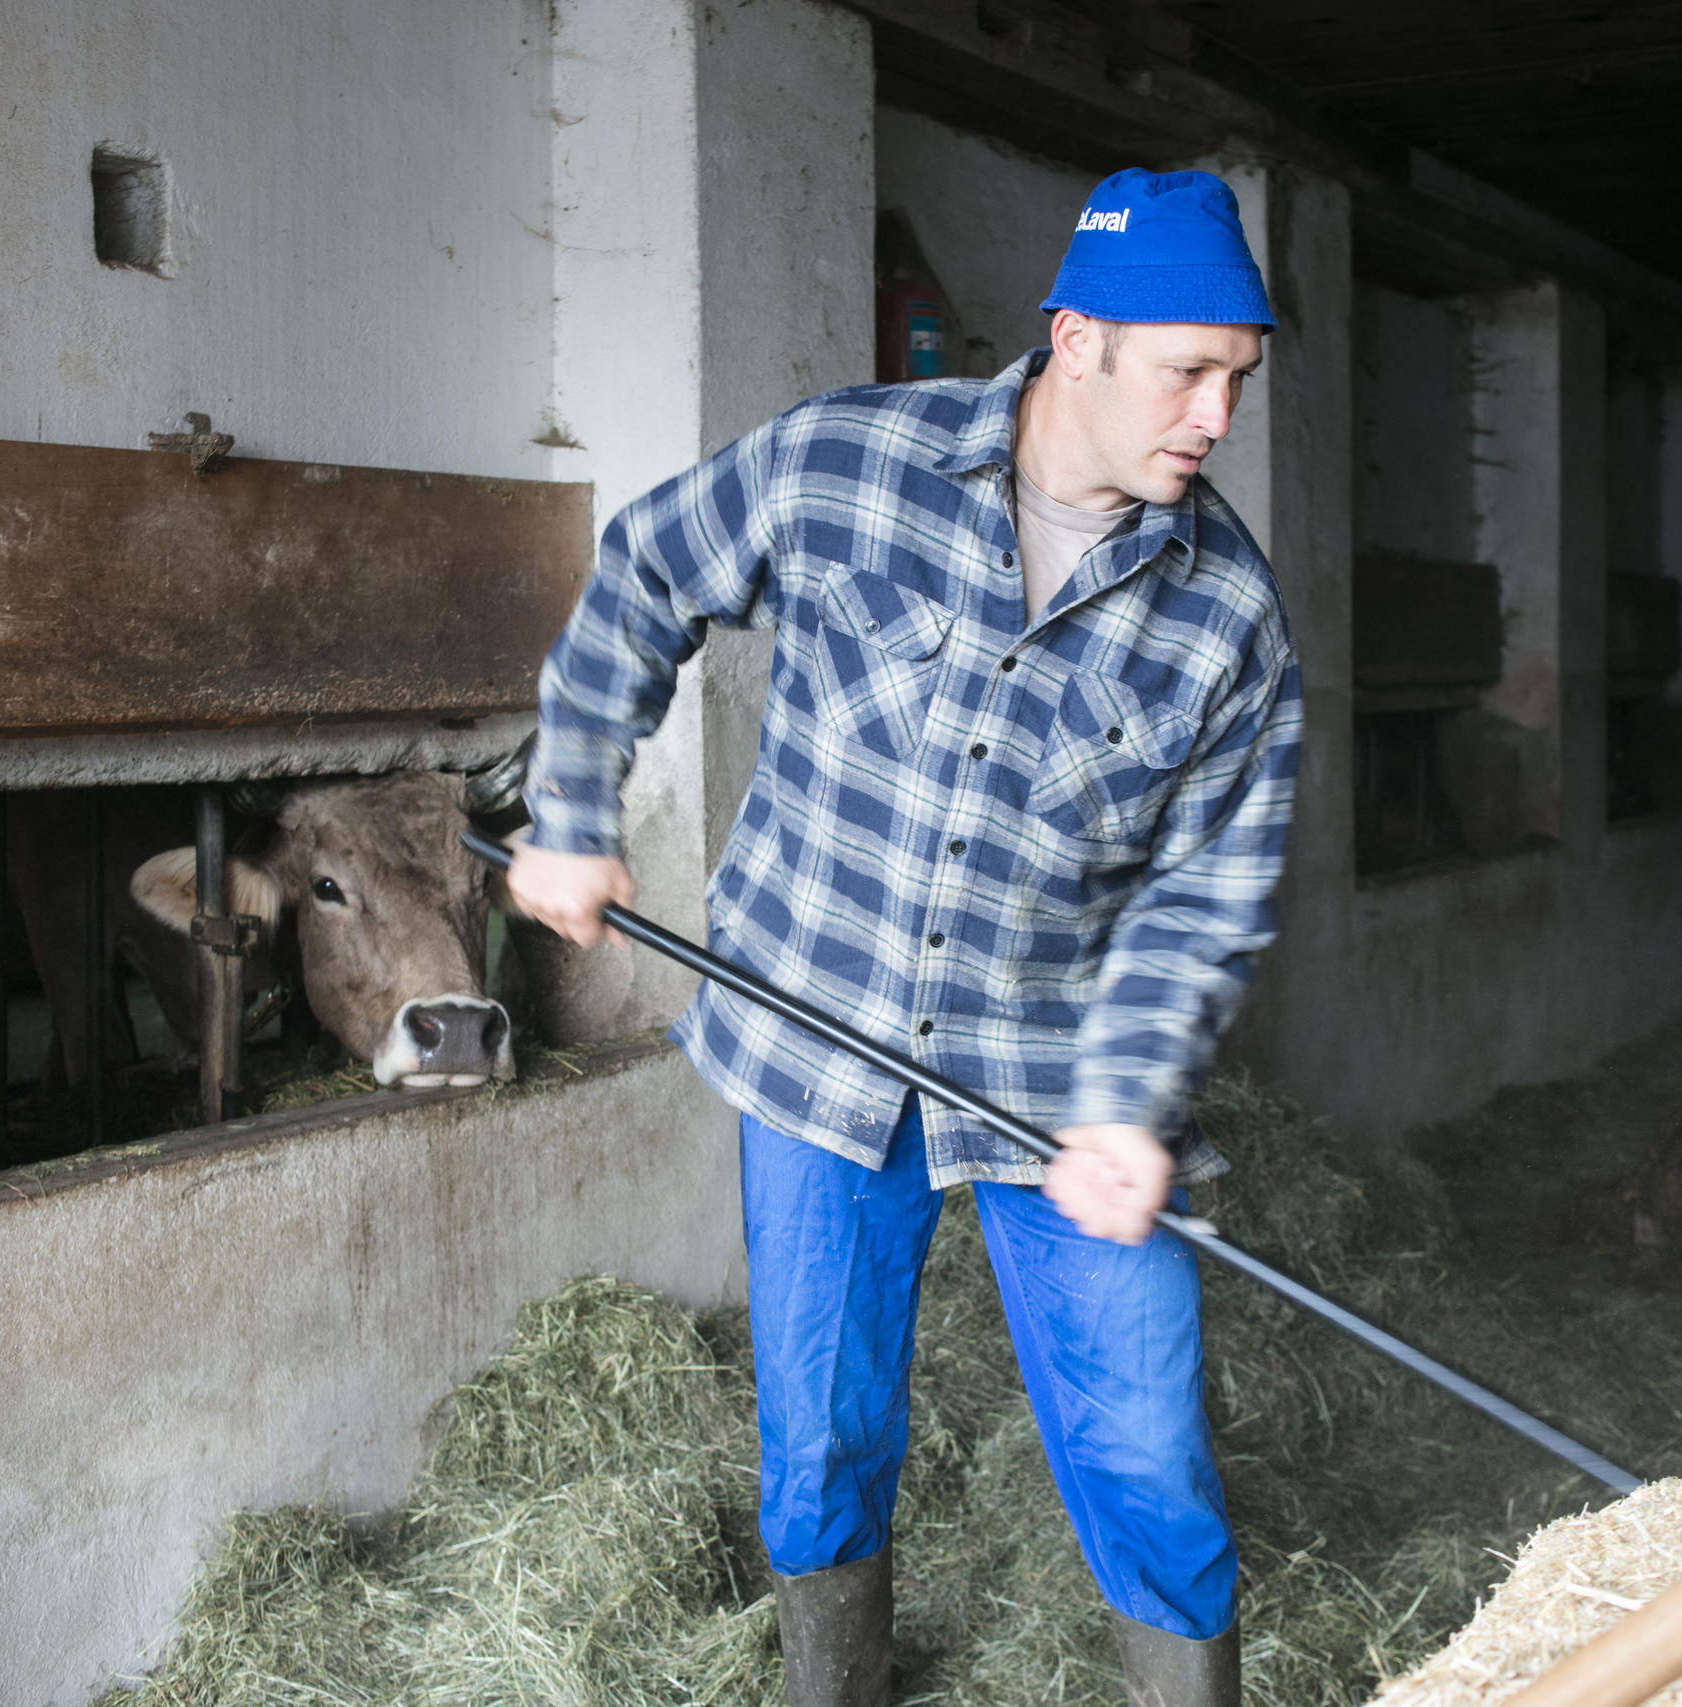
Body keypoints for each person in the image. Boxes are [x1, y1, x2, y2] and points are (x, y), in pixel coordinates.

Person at [511, 168, 1303, 1707]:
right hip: (819, 1032)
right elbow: (645, 571)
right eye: (1186, 371)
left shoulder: (1229, 620)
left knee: (1145, 1440)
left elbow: (1208, 888)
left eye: (1238, 380)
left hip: (1057, 1079)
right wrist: (575, 806)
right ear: (1077, 339)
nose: (1215, 418)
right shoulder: (845, 464)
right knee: (819, 1425)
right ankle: (837, 1688)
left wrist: (1132, 1098)